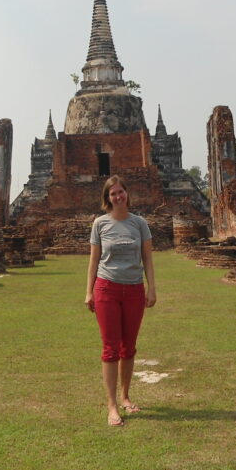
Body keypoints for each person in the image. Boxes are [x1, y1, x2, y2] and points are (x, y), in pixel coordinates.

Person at [84, 175, 156, 427]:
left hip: (134, 289)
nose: (118, 197)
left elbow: (147, 258)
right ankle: (112, 405)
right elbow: (94, 260)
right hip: (107, 288)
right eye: (112, 193)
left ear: (127, 194)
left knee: (129, 347)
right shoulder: (100, 223)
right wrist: (89, 291)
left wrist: (152, 288)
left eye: (120, 192)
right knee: (110, 348)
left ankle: (125, 396)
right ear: (108, 198)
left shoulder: (140, 223)